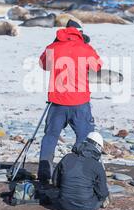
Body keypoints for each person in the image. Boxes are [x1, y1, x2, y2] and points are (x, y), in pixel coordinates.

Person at [38, 20, 103, 185]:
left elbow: (44, 65)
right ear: (80, 33)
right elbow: (97, 67)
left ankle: (44, 173)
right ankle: (80, 174)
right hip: (79, 102)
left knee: (51, 136)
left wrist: (55, 44)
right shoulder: (86, 49)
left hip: (57, 101)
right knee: (84, 137)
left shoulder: (53, 48)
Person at [51, 131, 110, 210]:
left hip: (63, 206)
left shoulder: (67, 158)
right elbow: (102, 193)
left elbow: (55, 181)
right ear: (98, 148)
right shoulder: (97, 165)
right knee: (99, 199)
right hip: (87, 207)